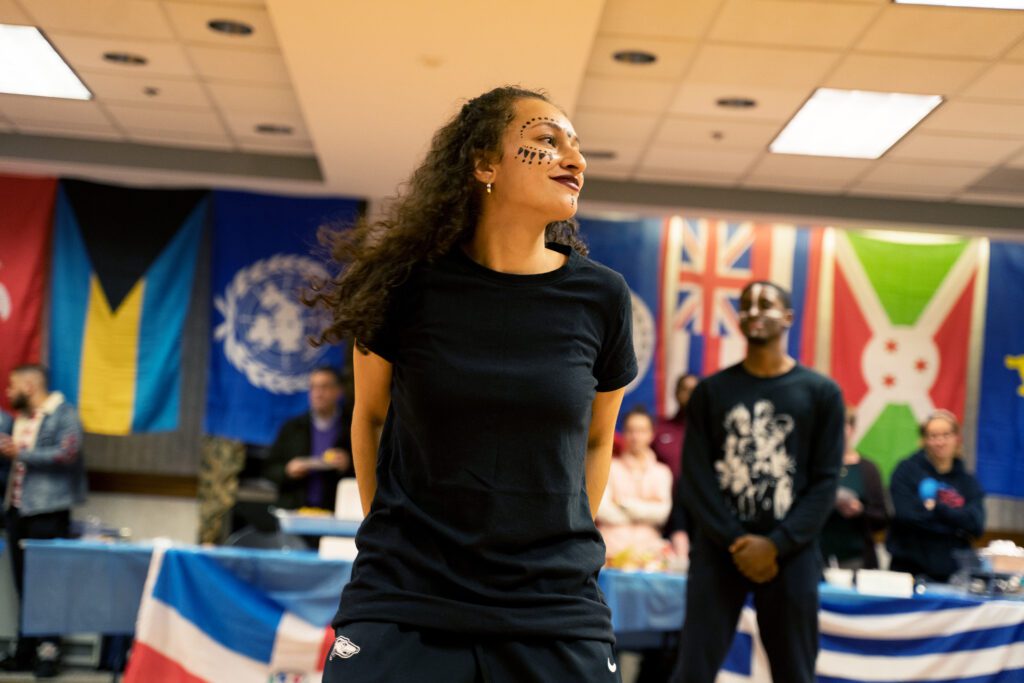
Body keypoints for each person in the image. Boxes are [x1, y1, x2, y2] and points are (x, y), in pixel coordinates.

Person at [307, 86, 635, 682]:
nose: (575, 160)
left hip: (553, 607)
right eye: (546, 141)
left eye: (577, 147)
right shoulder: (402, 285)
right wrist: (390, 535)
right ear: (484, 163)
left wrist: (553, 544)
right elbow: (371, 418)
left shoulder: (602, 297)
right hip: (406, 596)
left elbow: (596, 439)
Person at [671, 281, 844, 683]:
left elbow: (825, 482)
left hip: (792, 553)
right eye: (746, 305)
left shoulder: (821, 393)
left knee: (795, 673)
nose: (753, 312)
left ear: (788, 318)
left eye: (766, 304)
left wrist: (776, 544)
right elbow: (696, 479)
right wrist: (736, 540)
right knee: (692, 671)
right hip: (718, 550)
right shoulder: (711, 392)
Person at [1, 364, 87, 678]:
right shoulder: (20, 419)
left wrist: (20, 454)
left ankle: (48, 651)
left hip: (48, 510)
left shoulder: (63, 414)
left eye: (12, 386)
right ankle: (24, 651)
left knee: (48, 586)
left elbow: (67, 453)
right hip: (17, 509)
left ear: (29, 384)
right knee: (23, 585)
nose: (8, 393)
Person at [887, 410, 985, 582]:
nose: (940, 442)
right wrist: (956, 524)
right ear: (924, 440)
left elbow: (976, 525)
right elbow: (906, 515)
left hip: (954, 575)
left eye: (946, 435)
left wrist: (937, 508)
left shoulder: (967, 481)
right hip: (909, 571)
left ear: (956, 438)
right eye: (933, 436)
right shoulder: (906, 471)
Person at [263, 365, 354, 512]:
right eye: (313, 387)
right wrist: (288, 470)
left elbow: (373, 473)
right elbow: (269, 470)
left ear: (339, 391)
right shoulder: (292, 427)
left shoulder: (352, 427)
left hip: (337, 513)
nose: (318, 393)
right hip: (295, 512)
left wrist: (348, 464)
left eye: (324, 387)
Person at [597, 406, 673, 564]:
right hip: (610, 552)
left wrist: (625, 505)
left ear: (651, 434)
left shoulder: (662, 472)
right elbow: (602, 510)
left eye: (641, 431)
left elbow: (663, 513)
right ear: (623, 433)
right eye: (630, 430)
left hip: (650, 555)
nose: (635, 436)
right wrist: (646, 511)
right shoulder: (608, 468)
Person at [819, 408, 888, 569]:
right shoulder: (815, 467)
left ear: (852, 429)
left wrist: (860, 510)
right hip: (819, 555)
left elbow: (882, 518)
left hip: (858, 556)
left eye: (842, 426)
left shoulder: (868, 469)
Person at [653, 373, 699, 481]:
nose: (689, 394)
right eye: (684, 389)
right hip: (664, 495)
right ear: (676, 392)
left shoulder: (709, 432)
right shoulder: (660, 428)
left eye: (693, 390)